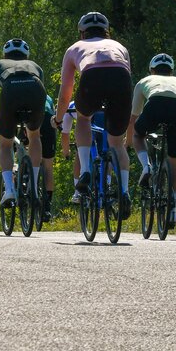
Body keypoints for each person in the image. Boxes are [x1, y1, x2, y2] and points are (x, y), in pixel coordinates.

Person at [53, 12, 134, 220]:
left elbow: (66, 92)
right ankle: (124, 191)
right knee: (117, 142)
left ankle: (86, 171)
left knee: (83, 118)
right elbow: (127, 78)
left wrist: (59, 118)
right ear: (107, 31)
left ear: (82, 33)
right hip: (121, 79)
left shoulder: (74, 48)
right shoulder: (120, 46)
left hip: (92, 77)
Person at [0, 39, 48, 211]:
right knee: (34, 136)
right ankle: (34, 186)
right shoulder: (35, 65)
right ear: (26, 54)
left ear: (5, 54)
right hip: (36, 89)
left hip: (11, 91)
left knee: (5, 144)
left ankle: (9, 190)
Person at [130, 53, 176, 229]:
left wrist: (128, 140)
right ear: (171, 71)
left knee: (137, 134)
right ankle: (174, 209)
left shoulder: (144, 81)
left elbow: (133, 118)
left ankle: (146, 166)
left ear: (152, 70)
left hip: (155, 103)